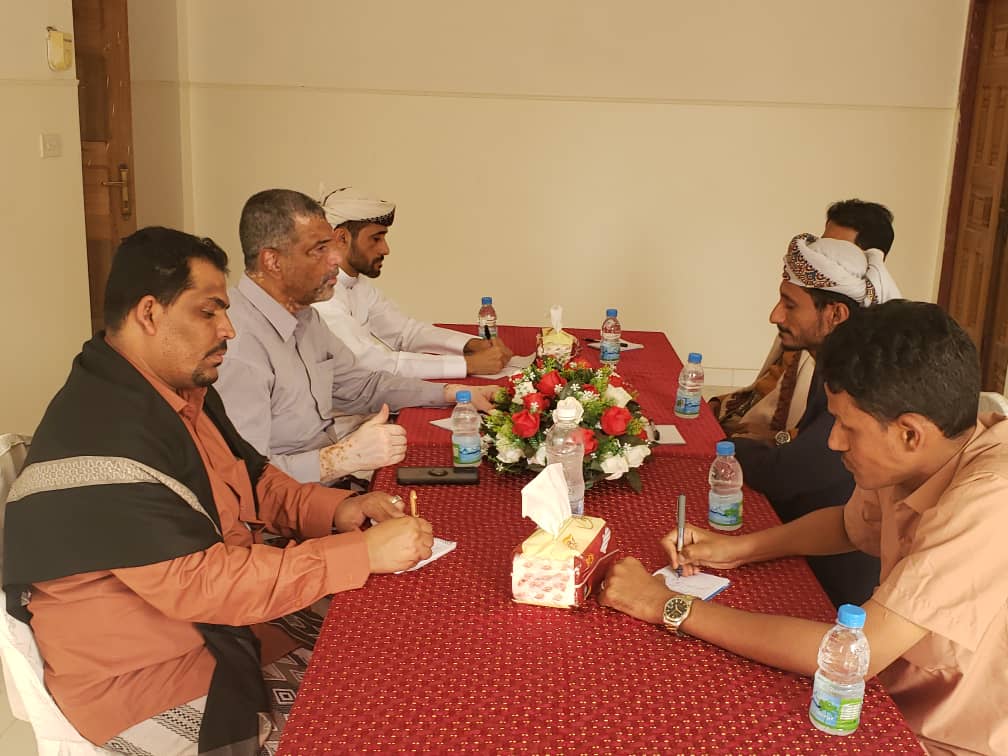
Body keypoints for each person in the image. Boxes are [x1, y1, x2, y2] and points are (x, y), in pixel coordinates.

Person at [2, 227, 434, 754]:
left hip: (214, 627)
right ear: (149, 313)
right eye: (209, 312)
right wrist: (361, 552)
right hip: (144, 680)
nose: (228, 329)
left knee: (401, 651)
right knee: (378, 721)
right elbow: (202, 583)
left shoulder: (174, 392)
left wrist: (338, 510)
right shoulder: (101, 433)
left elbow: (253, 478)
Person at [600, 300, 1008, 755]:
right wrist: (737, 549)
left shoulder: (991, 500)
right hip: (885, 696)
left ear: (910, 433)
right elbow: (849, 527)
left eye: (847, 427)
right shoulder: (921, 454)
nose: (833, 441)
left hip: (943, 738)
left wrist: (667, 605)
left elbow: (857, 651)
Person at [216, 189, 498, 485]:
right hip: (291, 503)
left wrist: (450, 393)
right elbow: (244, 477)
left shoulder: (305, 316)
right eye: (319, 249)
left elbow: (362, 385)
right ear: (273, 262)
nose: (336, 258)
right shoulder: (236, 345)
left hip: (328, 486)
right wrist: (339, 459)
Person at [710, 199, 895, 437]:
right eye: (823, 243)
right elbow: (766, 387)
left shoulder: (853, 362)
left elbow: (815, 444)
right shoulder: (808, 326)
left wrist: (777, 439)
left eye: (836, 249)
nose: (775, 316)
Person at [312, 186, 515, 379]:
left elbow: (406, 332)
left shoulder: (357, 284)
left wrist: (472, 345)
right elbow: (374, 363)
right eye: (376, 239)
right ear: (342, 238)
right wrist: (468, 364)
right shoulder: (321, 296)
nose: (385, 249)